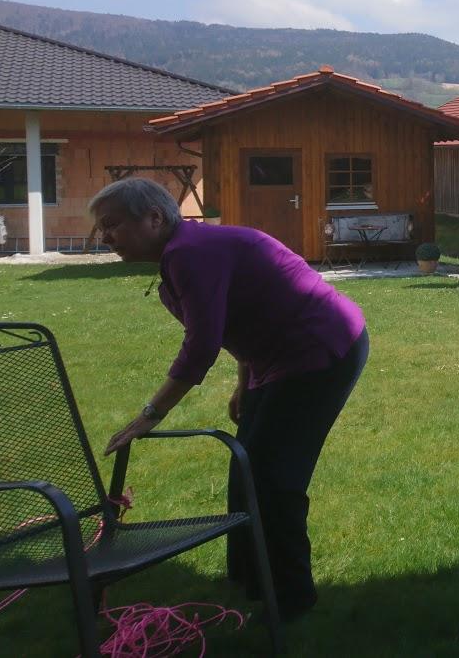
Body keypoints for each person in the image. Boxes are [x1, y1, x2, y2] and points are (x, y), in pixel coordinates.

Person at [90, 177, 368, 622]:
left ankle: (291, 598)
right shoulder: (184, 251)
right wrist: (246, 381)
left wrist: (151, 414)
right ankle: (251, 581)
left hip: (319, 349)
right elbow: (239, 316)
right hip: (275, 356)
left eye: (112, 224)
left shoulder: (190, 253)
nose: (104, 237)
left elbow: (201, 346)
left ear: (155, 218)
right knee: (246, 469)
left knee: (274, 478)